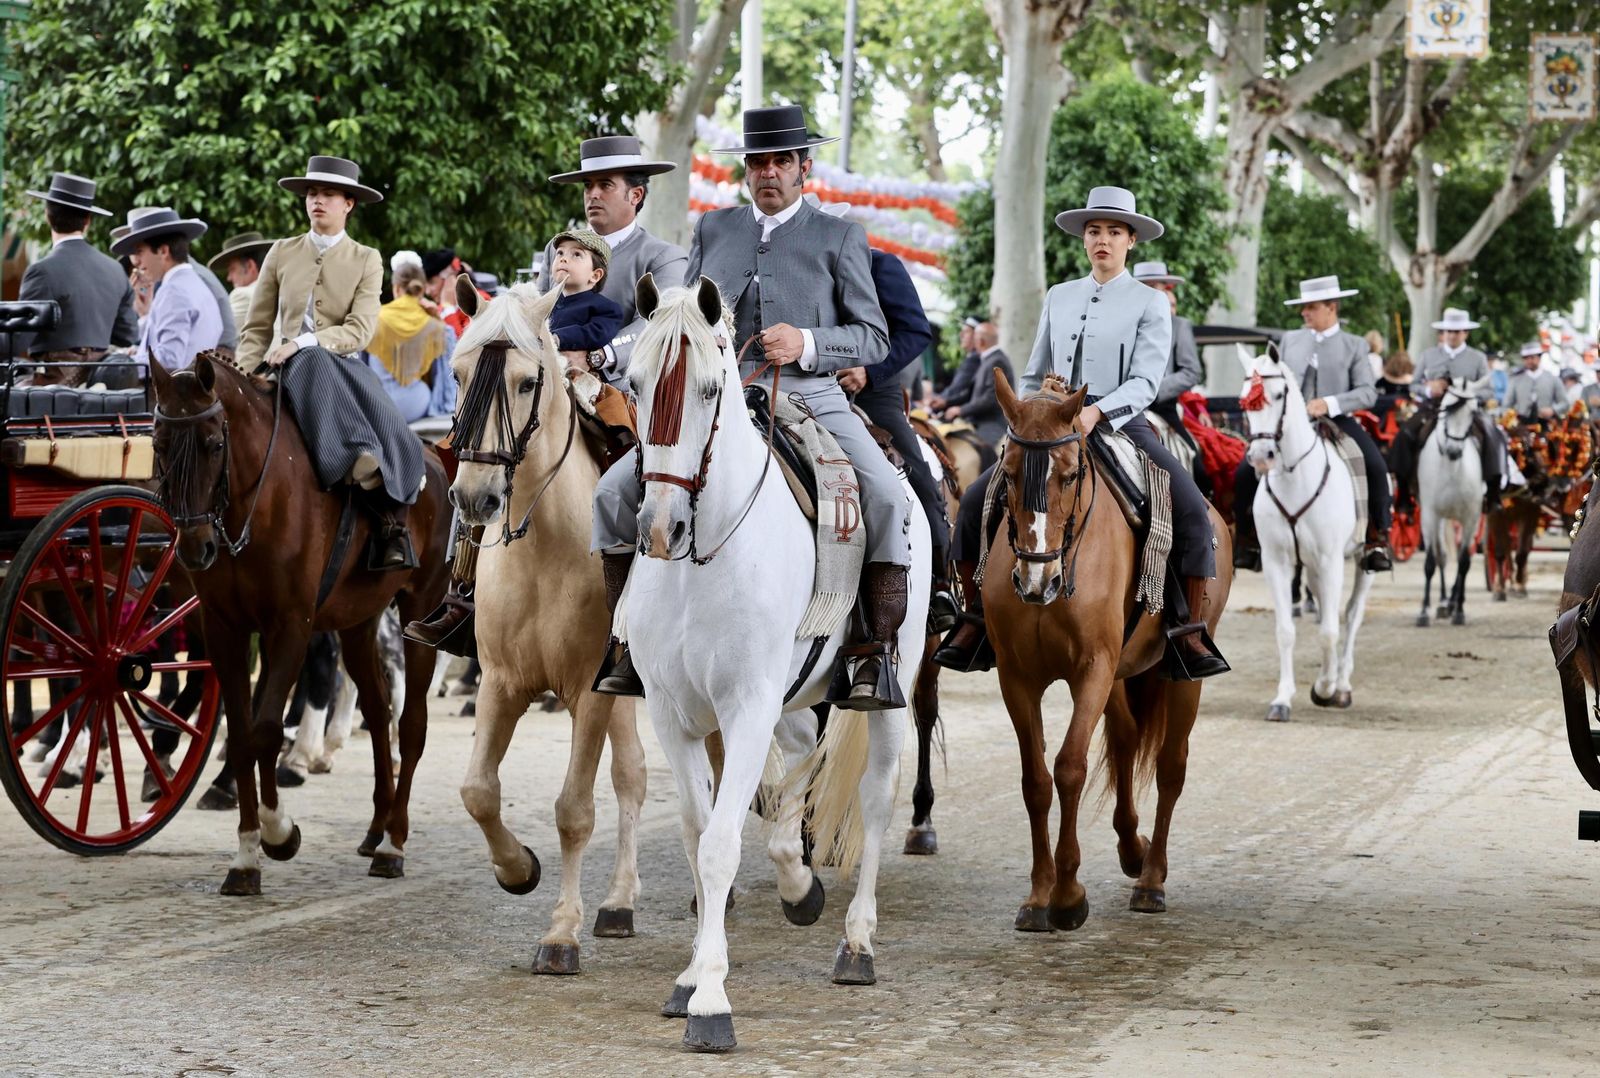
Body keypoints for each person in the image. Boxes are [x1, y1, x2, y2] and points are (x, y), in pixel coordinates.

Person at [588, 104, 908, 707]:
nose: (768, 172)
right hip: (718, 400)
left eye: (781, 161)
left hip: (810, 396)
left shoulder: (840, 235)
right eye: (758, 162)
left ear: (804, 168)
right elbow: (682, 315)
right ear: (746, 171)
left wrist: (807, 342)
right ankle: (625, 640)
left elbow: (874, 337)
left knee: (887, 496)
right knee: (610, 493)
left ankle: (873, 650)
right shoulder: (713, 228)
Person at [935, 185, 1228, 679]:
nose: (1103, 240)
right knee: (974, 504)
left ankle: (1188, 630)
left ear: (1131, 240)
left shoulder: (1150, 303)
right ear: (1084, 239)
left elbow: (1145, 382)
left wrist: (1096, 414)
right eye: (1094, 231)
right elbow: (1032, 373)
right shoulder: (1060, 295)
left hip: (1121, 424)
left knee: (1193, 511)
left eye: (1114, 231)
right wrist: (1032, 408)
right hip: (1050, 427)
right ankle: (974, 618)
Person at [236, 154, 422, 570]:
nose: (317, 200)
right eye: (312, 193)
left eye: (328, 194)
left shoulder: (367, 258)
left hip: (343, 368)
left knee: (395, 432)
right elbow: (257, 327)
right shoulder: (281, 251)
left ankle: (390, 523)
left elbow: (360, 329)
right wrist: (244, 379)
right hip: (279, 369)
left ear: (348, 204)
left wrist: (304, 342)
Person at [826, 197, 959, 632]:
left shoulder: (882, 267)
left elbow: (916, 330)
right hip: (802, 389)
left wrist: (869, 370)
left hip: (874, 393)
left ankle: (941, 582)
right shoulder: (797, 270)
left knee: (917, 472)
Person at [1232, 275, 1393, 574]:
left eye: (1311, 307)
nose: (1304, 312)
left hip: (1337, 421)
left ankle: (1376, 539)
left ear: (1332, 307)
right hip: (1290, 425)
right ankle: (1248, 541)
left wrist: (1329, 403)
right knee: (1244, 472)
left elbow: (1368, 393)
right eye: (1303, 307)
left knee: (1374, 466)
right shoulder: (1290, 340)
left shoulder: (1355, 345)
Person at [539, 134, 688, 387]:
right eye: (588, 185)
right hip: (547, 385)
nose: (593, 194)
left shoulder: (664, 257)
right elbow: (537, 311)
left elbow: (657, 324)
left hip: (626, 392)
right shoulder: (556, 249)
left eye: (605, 185)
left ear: (636, 195)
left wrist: (598, 357)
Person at [13, 172, 139, 383]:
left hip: (53, 382)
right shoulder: (116, 270)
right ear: (87, 220)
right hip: (101, 383)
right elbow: (127, 336)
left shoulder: (42, 271)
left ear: (47, 215)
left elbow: (17, 341)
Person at [1390, 306, 1500, 512]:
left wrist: (1468, 394)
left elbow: (1489, 391)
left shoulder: (1477, 358)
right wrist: (1428, 390)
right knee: (1404, 436)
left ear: (1465, 333)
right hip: (1433, 408)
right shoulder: (1428, 355)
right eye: (1448, 331)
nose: (1451, 335)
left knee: (1493, 435)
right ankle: (1404, 492)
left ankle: (1493, 492)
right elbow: (1413, 385)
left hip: (1466, 409)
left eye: (1456, 331)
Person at [110, 207, 222, 372]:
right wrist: (145, 315)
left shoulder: (173, 290)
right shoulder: (195, 284)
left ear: (163, 251)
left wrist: (125, 363)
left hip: (176, 386)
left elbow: (170, 359)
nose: (136, 261)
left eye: (140, 252)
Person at [365, 251, 457, 422]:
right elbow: (448, 366)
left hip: (377, 404)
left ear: (396, 287)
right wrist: (437, 318)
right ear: (421, 290)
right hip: (415, 403)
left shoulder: (374, 318)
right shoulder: (434, 325)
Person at [1131, 260, 1201, 434]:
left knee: (1190, 449)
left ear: (1165, 290)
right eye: (1143, 287)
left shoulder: (1179, 325)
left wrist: (1153, 389)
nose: (1148, 292)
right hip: (1123, 404)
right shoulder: (1123, 323)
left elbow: (1191, 372)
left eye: (1154, 287)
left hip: (1161, 405)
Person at [545, 227, 626, 355]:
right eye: (560, 252)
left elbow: (596, 333)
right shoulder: (546, 304)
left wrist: (559, 338)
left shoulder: (607, 309)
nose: (563, 259)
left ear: (595, 275)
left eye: (577, 254)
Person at [942, 320, 1013, 446]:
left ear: (981, 341)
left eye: (974, 339)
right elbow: (972, 393)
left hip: (991, 426)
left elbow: (992, 398)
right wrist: (947, 403)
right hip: (980, 423)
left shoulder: (996, 361)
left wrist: (961, 410)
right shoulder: (989, 360)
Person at [207, 231, 275, 328]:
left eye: (232, 269)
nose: (229, 278)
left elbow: (217, 331)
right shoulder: (282, 289)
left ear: (250, 266)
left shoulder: (242, 295)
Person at [929, 316, 983, 413]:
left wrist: (938, 400)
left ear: (977, 336)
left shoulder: (975, 358)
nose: (961, 335)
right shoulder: (972, 356)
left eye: (966, 332)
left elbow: (957, 389)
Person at [1503, 341, 1563, 422]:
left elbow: (1564, 403)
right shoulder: (1515, 380)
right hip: (1521, 424)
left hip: (1546, 423)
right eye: (1526, 358)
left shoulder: (1553, 379)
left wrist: (1553, 410)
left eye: (1532, 357)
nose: (1529, 361)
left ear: (1539, 357)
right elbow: (1506, 405)